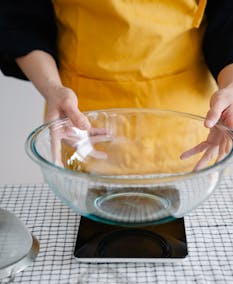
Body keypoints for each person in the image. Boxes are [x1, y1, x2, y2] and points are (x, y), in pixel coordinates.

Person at [1, 0, 233, 169]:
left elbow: (226, 19)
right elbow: (21, 18)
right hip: (82, 121)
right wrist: (52, 89)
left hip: (187, 123)